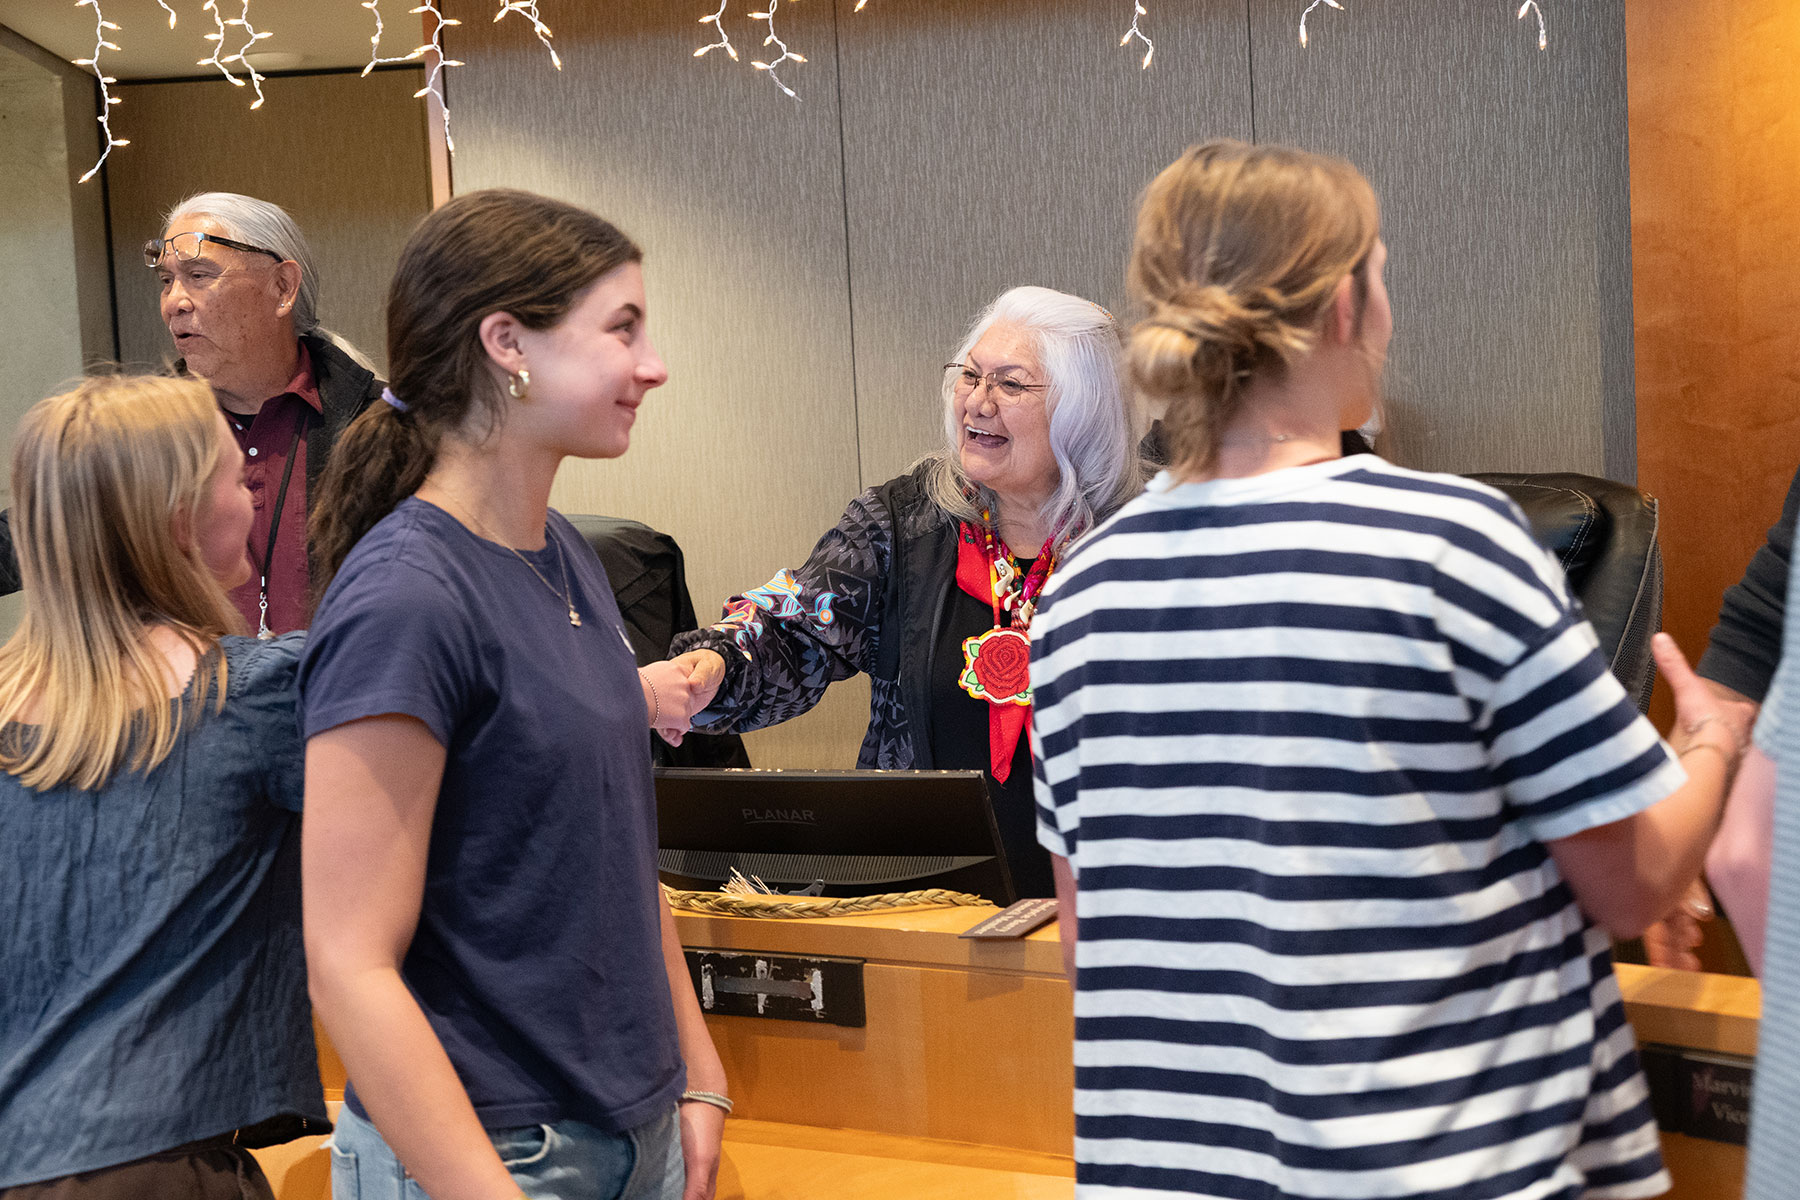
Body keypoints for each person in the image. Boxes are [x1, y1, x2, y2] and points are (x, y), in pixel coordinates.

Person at [1030, 139, 1742, 1200]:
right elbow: (1634, 882)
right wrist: (1713, 740)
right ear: (1342, 307)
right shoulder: (1449, 543)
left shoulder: (1079, 593)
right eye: (1383, 276)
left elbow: (1092, 948)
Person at [298, 189, 726, 1200]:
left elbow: (611, 846)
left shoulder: (567, 552)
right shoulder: (406, 596)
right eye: (622, 329)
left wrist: (697, 1071)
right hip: (496, 1154)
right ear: (507, 344)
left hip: (633, 1128)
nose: (652, 365)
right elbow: (348, 962)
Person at [669, 286, 1150, 899]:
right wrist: (717, 661)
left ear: (1085, 408)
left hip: (1119, 901)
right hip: (930, 901)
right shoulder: (904, 522)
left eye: (1010, 384)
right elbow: (796, 623)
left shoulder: (1150, 538)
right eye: (969, 375)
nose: (977, 401)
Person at [0, 376, 324, 1197]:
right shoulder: (257, 694)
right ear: (181, 521)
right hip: (161, 1170)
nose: (252, 496)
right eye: (235, 479)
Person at [0, 192, 384, 637]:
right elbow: (36, 529)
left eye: (199, 275)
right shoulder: (146, 434)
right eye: (167, 281)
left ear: (283, 287)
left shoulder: (381, 424)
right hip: (190, 682)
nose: (174, 303)